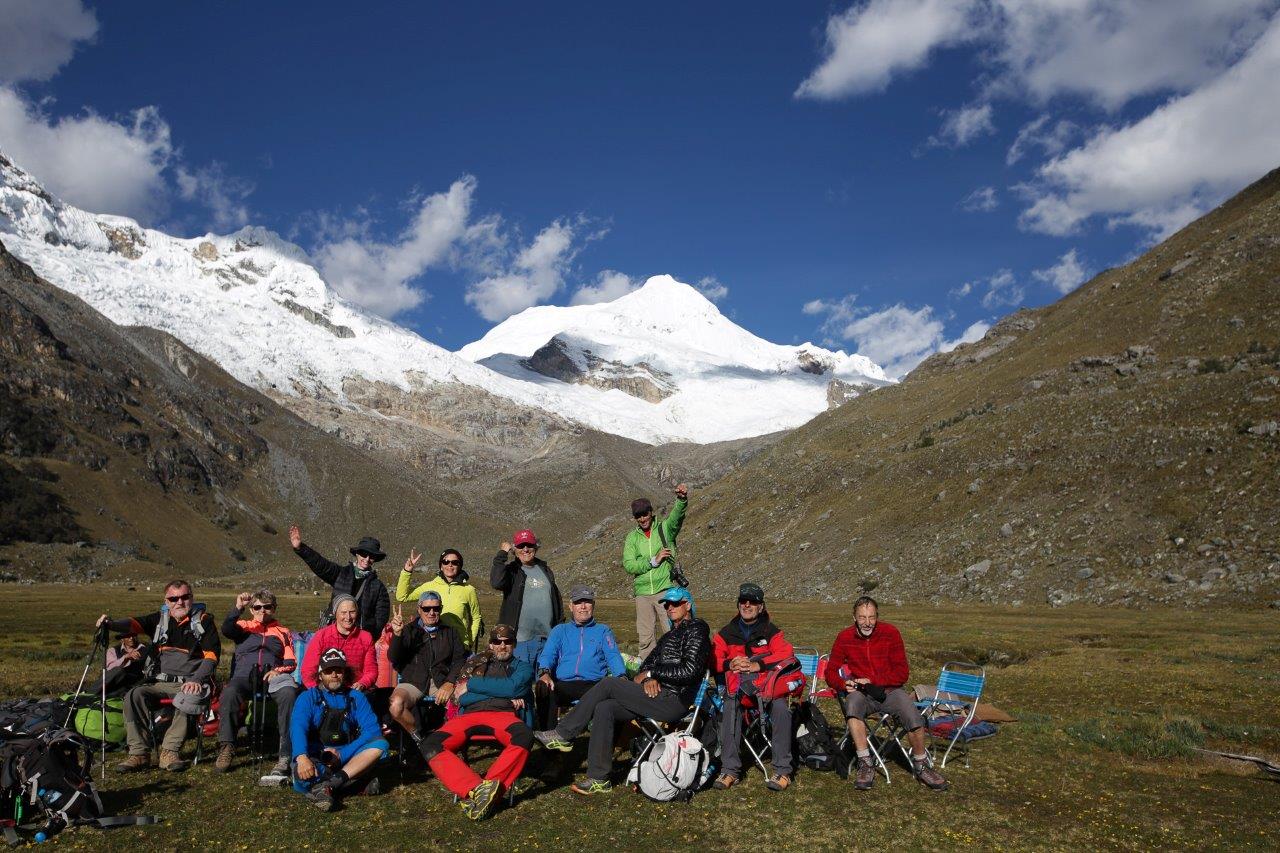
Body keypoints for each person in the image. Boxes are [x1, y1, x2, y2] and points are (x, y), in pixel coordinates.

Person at [534, 586, 710, 795]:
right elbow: (645, 667)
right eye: (667, 604)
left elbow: (689, 671)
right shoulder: (668, 636)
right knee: (605, 708)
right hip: (654, 696)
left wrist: (653, 675)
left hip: (674, 700)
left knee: (609, 684)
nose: (670, 607)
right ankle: (599, 778)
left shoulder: (697, 629)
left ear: (687, 605)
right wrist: (647, 678)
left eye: (675, 603)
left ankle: (563, 733)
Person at [96, 579, 220, 773]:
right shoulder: (159, 620)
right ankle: (139, 753)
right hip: (160, 681)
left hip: (190, 682)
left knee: (187, 697)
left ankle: (169, 752)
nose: (180, 602)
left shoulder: (204, 622)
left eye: (185, 597)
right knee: (133, 696)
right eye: (174, 598)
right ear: (166, 601)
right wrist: (110, 624)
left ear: (192, 598)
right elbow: (133, 624)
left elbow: (211, 657)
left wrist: (197, 679)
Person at [827, 596, 948, 792]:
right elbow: (830, 672)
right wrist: (843, 683)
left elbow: (902, 673)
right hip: (861, 693)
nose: (867, 623)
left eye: (871, 617)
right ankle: (865, 763)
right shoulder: (844, 637)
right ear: (854, 617)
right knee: (852, 705)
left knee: (912, 715)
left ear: (877, 617)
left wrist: (873, 680)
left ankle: (922, 765)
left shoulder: (891, 633)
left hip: (890, 691)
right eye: (862, 617)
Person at [420, 625, 534, 821]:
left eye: (507, 642)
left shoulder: (522, 667)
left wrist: (473, 686)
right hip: (469, 716)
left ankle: (489, 786)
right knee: (430, 744)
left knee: (524, 737)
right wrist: (506, 694)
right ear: (491, 644)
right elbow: (461, 698)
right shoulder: (476, 665)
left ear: (514, 645)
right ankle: (476, 789)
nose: (502, 646)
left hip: (503, 715)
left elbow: (514, 686)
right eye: (497, 642)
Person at [711, 583, 797, 792]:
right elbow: (713, 659)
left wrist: (758, 665)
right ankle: (730, 770)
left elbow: (786, 654)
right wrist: (728, 665)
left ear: (761, 606)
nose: (747, 605)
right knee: (730, 706)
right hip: (739, 691)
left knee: (781, 709)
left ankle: (783, 770)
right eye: (743, 601)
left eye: (753, 602)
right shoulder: (726, 633)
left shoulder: (771, 632)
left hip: (768, 690)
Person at [290, 648, 390, 811]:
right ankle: (352, 784)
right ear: (320, 674)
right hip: (317, 757)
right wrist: (301, 758)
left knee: (381, 745)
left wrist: (341, 755)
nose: (334, 674)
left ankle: (329, 786)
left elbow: (372, 731)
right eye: (329, 671)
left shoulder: (357, 697)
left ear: (345, 673)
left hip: (347, 756)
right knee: (303, 776)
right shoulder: (307, 698)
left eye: (338, 670)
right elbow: (297, 728)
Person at [216, 589, 298, 777]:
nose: (262, 611)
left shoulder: (283, 632)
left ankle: (286, 752)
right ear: (251, 609)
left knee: (288, 693)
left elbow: (291, 662)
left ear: (274, 609)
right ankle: (227, 746)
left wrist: (277, 671)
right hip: (243, 677)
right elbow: (226, 630)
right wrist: (238, 607)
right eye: (257, 607)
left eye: (267, 607)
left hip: (273, 678)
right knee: (229, 693)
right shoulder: (243, 626)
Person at [534, 585, 626, 729]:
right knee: (543, 687)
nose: (583, 607)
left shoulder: (603, 631)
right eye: (578, 602)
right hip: (564, 683)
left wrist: (621, 676)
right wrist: (544, 673)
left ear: (593, 605)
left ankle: (608, 738)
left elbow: (613, 655)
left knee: (616, 693)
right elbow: (548, 654)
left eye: (587, 602)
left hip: (594, 684)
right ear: (571, 606)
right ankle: (548, 738)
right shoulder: (560, 630)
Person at [387, 593, 465, 745]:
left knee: (466, 700)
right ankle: (420, 740)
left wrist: (449, 682)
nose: (431, 612)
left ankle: (454, 741)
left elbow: (459, 660)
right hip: (413, 681)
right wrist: (397, 634)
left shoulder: (450, 632)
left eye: (436, 608)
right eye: (427, 608)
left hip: (441, 682)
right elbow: (394, 658)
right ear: (419, 609)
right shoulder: (408, 630)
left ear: (440, 609)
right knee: (395, 705)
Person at [622, 483, 688, 659]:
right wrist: (653, 561)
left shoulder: (664, 529)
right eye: (638, 516)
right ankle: (647, 674)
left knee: (671, 632)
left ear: (651, 512)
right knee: (645, 639)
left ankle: (675, 667)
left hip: (664, 590)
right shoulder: (632, 538)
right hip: (642, 594)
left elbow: (676, 518)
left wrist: (681, 500)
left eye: (645, 514)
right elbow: (629, 565)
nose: (642, 518)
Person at [288, 524, 390, 636]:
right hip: (333, 632)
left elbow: (381, 617)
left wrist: (368, 636)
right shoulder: (341, 573)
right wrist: (300, 548)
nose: (367, 559)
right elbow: (321, 565)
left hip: (358, 638)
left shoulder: (379, 587)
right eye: (364, 554)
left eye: (372, 556)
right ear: (357, 554)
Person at [490, 529, 563, 669]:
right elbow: (496, 582)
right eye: (521, 546)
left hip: (547, 640)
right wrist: (502, 554)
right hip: (519, 641)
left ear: (535, 547)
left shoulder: (545, 570)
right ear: (514, 549)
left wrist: (558, 632)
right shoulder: (512, 571)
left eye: (529, 545)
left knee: (546, 684)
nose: (525, 549)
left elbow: (556, 602)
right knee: (520, 684)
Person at [396, 548, 483, 650]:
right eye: (446, 562)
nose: (450, 565)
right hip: (432, 643)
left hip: (458, 645)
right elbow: (402, 596)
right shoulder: (429, 586)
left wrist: (469, 642)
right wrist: (407, 571)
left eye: (454, 562)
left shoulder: (468, 590)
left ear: (459, 566)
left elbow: (476, 617)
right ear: (441, 566)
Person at [300, 595, 376, 691]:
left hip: (355, 690)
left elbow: (371, 670)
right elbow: (308, 670)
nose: (348, 617)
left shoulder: (366, 637)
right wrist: (318, 691)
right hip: (326, 688)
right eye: (343, 613)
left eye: (352, 612)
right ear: (335, 614)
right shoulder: (321, 636)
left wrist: (363, 683)